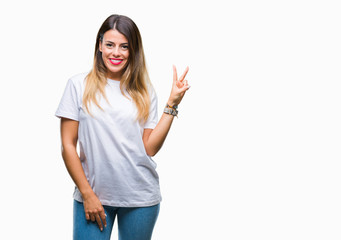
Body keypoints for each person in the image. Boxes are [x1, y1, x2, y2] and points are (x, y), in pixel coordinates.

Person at [55, 14, 190, 240]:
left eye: (124, 47)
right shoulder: (78, 85)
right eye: (110, 45)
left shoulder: (144, 91)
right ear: (99, 45)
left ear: (133, 50)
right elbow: (67, 145)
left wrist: (172, 104)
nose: (116, 53)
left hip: (140, 199)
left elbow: (150, 148)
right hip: (92, 197)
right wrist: (87, 194)